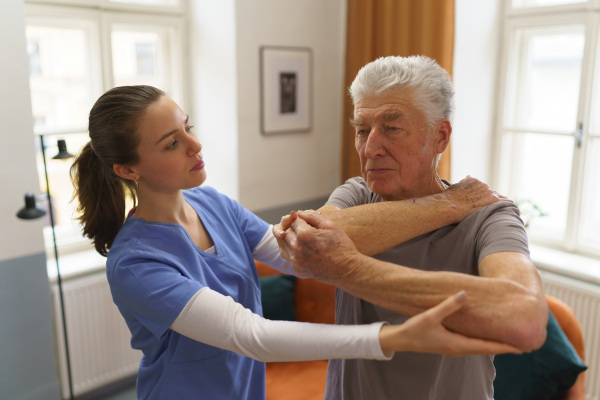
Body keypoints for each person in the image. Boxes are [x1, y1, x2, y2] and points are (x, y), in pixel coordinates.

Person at [69, 85, 521, 400]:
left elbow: (299, 260)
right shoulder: (135, 263)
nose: (195, 144)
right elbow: (252, 336)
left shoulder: (212, 204)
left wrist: (440, 208)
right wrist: (396, 336)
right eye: (172, 143)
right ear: (127, 169)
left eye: (188, 126)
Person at [275, 55, 549, 400]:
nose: (370, 148)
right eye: (362, 130)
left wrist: (350, 268)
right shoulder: (359, 194)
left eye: (392, 128)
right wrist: (448, 205)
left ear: (440, 137)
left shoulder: (489, 217)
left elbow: (524, 318)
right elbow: (309, 239)